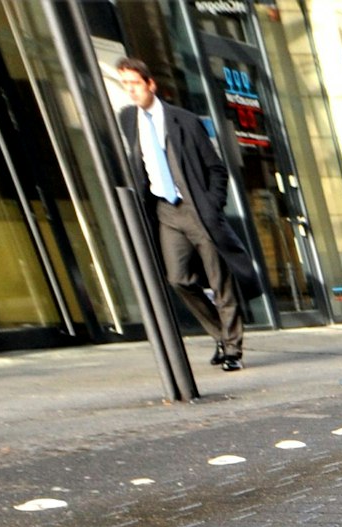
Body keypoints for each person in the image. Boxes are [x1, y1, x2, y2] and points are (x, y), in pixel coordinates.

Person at [115, 56, 250, 371]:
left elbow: (216, 169)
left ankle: (233, 350)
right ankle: (221, 333)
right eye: (125, 85)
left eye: (135, 83)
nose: (131, 91)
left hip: (197, 210)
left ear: (151, 84)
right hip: (164, 210)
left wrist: (212, 203)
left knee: (221, 282)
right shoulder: (127, 120)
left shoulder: (184, 121)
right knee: (178, 279)